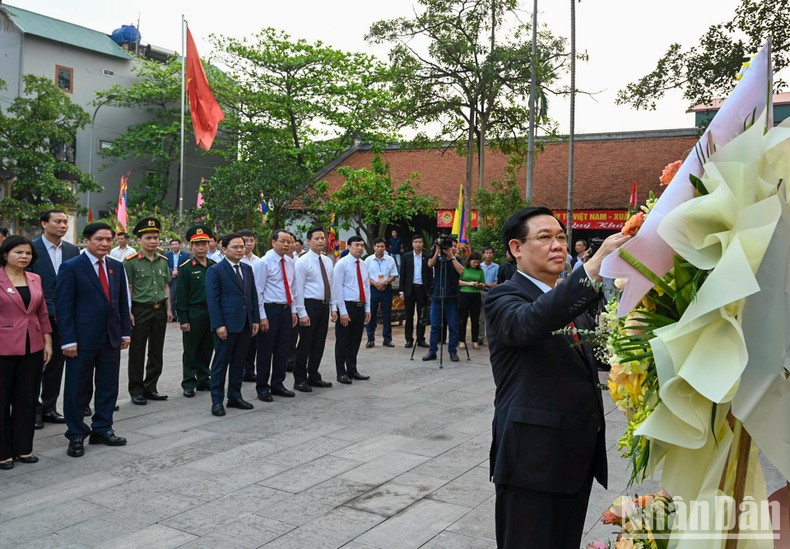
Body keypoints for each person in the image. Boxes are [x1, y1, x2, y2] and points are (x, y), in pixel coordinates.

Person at [484, 206, 630, 548]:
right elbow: (531, 323)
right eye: (545, 237)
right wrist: (591, 269)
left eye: (562, 237)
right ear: (516, 248)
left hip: (573, 460)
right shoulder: (503, 297)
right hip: (531, 463)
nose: (558, 245)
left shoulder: (567, 302)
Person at [56, 223, 131, 458]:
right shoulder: (71, 267)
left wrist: (125, 332)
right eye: (99, 239)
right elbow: (64, 306)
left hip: (110, 337)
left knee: (108, 385)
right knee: (78, 387)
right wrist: (67, 339)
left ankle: (103, 427)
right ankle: (76, 433)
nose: (105, 244)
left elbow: (121, 302)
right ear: (86, 240)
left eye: (109, 239)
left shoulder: (116, 267)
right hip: (81, 339)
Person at [0, 236, 52, 470]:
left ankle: (23, 447)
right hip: (3, 347)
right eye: (18, 252)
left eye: (28, 253)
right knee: (2, 400)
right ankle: (3, 451)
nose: (23, 257)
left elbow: (42, 313)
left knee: (27, 398)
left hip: (33, 346)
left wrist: (47, 341)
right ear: (5, 254)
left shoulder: (35, 278)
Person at [28, 209, 79, 427]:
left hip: (65, 318)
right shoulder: (31, 249)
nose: (63, 226)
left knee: (57, 365)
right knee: (35, 366)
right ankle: (33, 410)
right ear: (43, 224)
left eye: (65, 222)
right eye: (57, 221)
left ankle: (50, 407)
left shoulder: (72, 250)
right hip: (38, 317)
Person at [206, 233, 260, 416]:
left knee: (239, 362)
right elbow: (213, 300)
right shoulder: (215, 270)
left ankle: (235, 396)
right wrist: (218, 325)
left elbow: (252, 296)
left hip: (245, 323)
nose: (239, 250)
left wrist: (255, 320)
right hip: (226, 326)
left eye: (241, 247)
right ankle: (217, 401)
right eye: (235, 247)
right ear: (224, 249)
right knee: (220, 364)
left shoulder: (247, 269)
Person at [125, 217, 171, 405]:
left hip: (159, 309)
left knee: (156, 351)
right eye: (148, 238)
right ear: (139, 240)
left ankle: (151, 386)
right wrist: (128, 311)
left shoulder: (162, 261)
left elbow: (166, 286)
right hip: (140, 310)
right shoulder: (131, 262)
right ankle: (136, 390)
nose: (153, 241)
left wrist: (168, 309)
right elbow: (128, 288)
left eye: (155, 237)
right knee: (137, 351)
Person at [253, 230, 298, 401]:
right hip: (269, 309)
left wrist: (293, 310)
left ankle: (278, 383)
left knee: (283, 349)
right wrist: (262, 316)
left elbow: (292, 288)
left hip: (286, 310)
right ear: (273, 242)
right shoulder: (263, 263)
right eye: (283, 241)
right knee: (265, 350)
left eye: (289, 242)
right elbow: (258, 291)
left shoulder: (290, 262)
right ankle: (262, 386)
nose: (286, 245)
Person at [292, 227, 336, 392]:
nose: (321, 241)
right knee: (305, 343)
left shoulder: (327, 261)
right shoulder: (302, 261)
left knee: (319, 342)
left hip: (323, 305)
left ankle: (314, 374)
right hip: (309, 304)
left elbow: (330, 285)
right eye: (317, 238)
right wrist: (301, 312)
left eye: (322, 238)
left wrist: (333, 307)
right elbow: (298, 288)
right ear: (309, 241)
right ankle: (300, 378)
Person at [176, 225, 216, 398]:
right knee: (191, 349)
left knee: (207, 348)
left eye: (204, 243)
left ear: (209, 245)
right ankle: (189, 382)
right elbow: (182, 295)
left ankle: (204, 378)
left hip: (211, 313)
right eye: (197, 244)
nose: (201, 247)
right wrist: (183, 319)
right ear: (191, 247)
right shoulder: (186, 268)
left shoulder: (214, 266)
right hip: (194, 312)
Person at [332, 236, 371, 384]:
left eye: (362, 245)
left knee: (355, 340)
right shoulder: (341, 264)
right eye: (357, 245)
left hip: (360, 306)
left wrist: (367, 307)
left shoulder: (363, 264)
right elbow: (337, 288)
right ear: (349, 246)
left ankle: (352, 369)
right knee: (343, 340)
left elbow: (366, 287)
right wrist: (342, 311)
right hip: (347, 306)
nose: (360, 248)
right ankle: (341, 372)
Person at [423, 240, 464, 362]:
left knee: (453, 326)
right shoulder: (438, 258)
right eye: (448, 247)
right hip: (436, 297)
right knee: (435, 326)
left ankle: (453, 351)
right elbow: (430, 264)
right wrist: (437, 251)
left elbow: (461, 271)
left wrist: (451, 257)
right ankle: (432, 351)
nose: (450, 249)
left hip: (451, 297)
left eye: (453, 247)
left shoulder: (457, 259)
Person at [399, 234, 432, 349]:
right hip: (409, 289)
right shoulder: (406, 257)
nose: (418, 244)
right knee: (409, 315)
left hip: (422, 289)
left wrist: (429, 291)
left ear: (422, 244)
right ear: (412, 244)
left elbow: (430, 275)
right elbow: (402, 274)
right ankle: (409, 339)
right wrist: (401, 291)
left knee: (422, 316)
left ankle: (420, 339)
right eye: (416, 242)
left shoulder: (427, 257)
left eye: (420, 242)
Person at [365, 237, 398, 348]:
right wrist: (375, 284)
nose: (380, 249)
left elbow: (394, 275)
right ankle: (370, 339)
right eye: (378, 246)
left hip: (386, 289)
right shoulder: (368, 260)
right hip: (373, 289)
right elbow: (365, 277)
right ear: (374, 247)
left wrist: (384, 283)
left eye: (382, 246)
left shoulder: (390, 260)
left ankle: (387, 339)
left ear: (385, 247)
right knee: (371, 314)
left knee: (387, 314)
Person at [238, 229, 259, 383]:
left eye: (251, 240)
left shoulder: (259, 261)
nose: (249, 244)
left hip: (253, 304)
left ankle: (250, 371)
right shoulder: (235, 261)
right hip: (238, 307)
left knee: (253, 340)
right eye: (245, 241)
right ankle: (239, 370)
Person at [458, 251, 486, 350]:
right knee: (463, 318)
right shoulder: (463, 268)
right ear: (469, 261)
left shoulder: (480, 271)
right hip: (464, 294)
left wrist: (480, 285)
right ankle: (461, 340)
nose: (476, 264)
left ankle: (475, 340)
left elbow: (483, 283)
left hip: (476, 295)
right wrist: (469, 284)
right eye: (474, 262)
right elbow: (458, 281)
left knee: (475, 318)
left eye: (478, 262)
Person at [479, 246, 499, 345]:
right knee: (480, 316)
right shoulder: (479, 266)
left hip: (491, 293)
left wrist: (486, 284)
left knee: (491, 316)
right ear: (483, 254)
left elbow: (497, 283)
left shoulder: (496, 267)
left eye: (490, 253)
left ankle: (491, 337)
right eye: (486, 253)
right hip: (480, 292)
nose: (488, 255)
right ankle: (480, 337)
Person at [165, 238, 189, 322]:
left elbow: (186, 265)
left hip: (181, 277)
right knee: (171, 296)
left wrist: (178, 271)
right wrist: (172, 271)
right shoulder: (167, 255)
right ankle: (172, 315)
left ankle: (181, 315)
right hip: (171, 277)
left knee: (181, 297)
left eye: (176, 244)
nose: (174, 246)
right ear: (170, 246)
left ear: (180, 245)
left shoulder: (185, 255)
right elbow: (166, 266)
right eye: (172, 244)